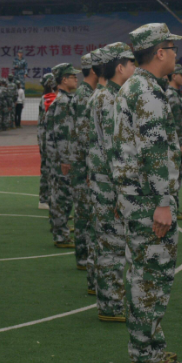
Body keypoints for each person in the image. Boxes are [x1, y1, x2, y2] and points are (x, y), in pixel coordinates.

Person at [111, 23, 182, 363]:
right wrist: (163, 202)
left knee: (145, 272)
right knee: (151, 275)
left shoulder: (135, 87)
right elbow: (154, 152)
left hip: (135, 197)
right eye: (172, 49)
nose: (175, 55)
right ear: (160, 52)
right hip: (147, 200)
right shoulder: (147, 92)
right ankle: (145, 351)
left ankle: (149, 343)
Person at [87, 43, 135, 323]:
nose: (135, 68)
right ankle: (111, 303)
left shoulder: (107, 95)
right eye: (131, 63)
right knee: (112, 243)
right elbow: (110, 147)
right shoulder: (107, 99)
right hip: (108, 184)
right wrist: (120, 188)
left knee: (109, 241)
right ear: (120, 67)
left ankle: (111, 298)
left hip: (105, 182)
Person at [45, 62, 79, 249]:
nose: (76, 79)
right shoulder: (63, 102)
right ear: (63, 80)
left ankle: (61, 231)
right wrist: (65, 160)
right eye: (72, 76)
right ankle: (61, 235)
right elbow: (62, 134)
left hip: (59, 158)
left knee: (62, 196)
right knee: (62, 197)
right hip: (61, 159)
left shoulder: (64, 100)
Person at [71, 52, 98, 292]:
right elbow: (82, 135)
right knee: (84, 213)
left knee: (84, 212)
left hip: (83, 164)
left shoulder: (86, 94)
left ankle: (83, 255)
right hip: (84, 165)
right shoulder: (84, 96)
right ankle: (82, 256)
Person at [166, 65, 182, 220]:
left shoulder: (173, 94)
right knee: (174, 176)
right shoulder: (171, 96)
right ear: (174, 76)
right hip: (174, 143)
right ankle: (173, 206)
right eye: (181, 75)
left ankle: (175, 206)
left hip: (175, 142)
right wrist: (178, 143)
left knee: (176, 176)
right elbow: (174, 124)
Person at [37, 73, 56, 210]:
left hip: (44, 139)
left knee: (46, 170)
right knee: (49, 170)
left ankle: (45, 198)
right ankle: (45, 198)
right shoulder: (49, 98)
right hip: (49, 140)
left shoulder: (46, 97)